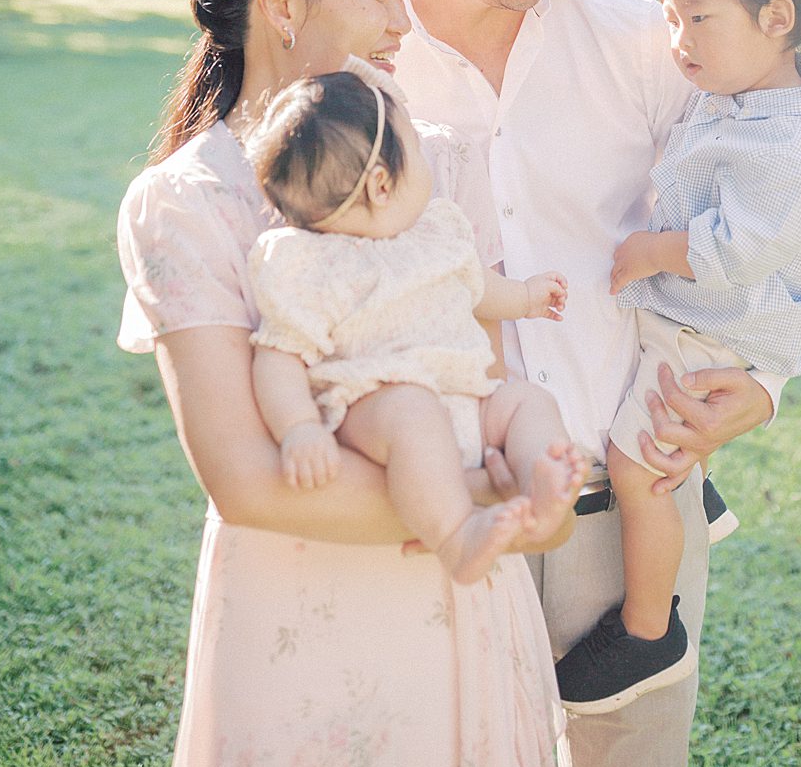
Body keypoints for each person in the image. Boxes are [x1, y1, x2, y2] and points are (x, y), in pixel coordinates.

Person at [116, 0, 568, 767]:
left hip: (464, 602)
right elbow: (246, 481)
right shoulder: (186, 202)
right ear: (282, 4)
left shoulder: (427, 154)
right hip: (304, 620)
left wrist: (536, 482)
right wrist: (486, 496)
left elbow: (481, 380)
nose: (402, 21)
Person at [388, 0, 785, 767]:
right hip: (441, 504)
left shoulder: (644, 44)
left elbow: (779, 204)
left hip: (632, 498)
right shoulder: (366, 63)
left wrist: (768, 384)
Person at [554, 0, 801, 711]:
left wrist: (651, 251)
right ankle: (692, 490)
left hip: (715, 330)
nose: (678, 41)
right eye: (669, 16)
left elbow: (731, 256)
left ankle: (649, 629)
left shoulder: (789, 152)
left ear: (776, 18)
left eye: (697, 17)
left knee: (637, 466)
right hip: (691, 321)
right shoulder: (734, 91)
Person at [246, 67, 586, 582]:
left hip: (469, 397)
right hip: (377, 405)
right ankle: (456, 536)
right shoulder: (309, 263)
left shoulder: (437, 229)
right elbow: (279, 354)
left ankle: (543, 474)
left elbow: (478, 288)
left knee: (526, 401)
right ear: (383, 184)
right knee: (413, 409)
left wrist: (527, 297)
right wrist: (298, 428)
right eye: (416, 148)